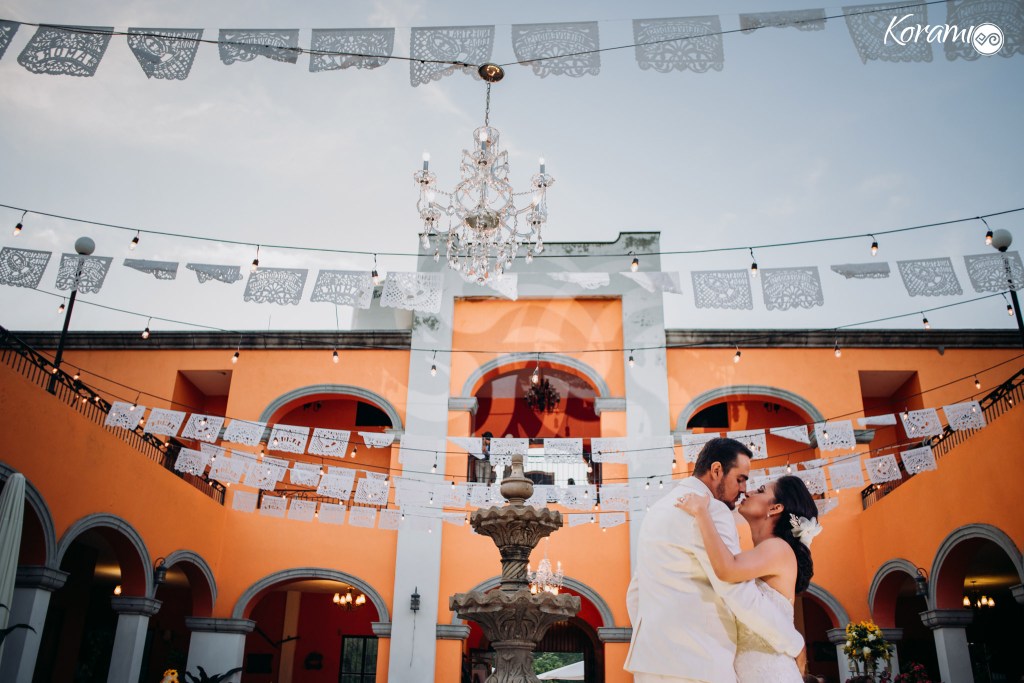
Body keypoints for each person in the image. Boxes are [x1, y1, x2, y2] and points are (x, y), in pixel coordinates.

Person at [625, 438, 806, 683]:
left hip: (649, 662)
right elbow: (736, 591)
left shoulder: (657, 509)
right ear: (717, 470)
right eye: (740, 479)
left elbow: (636, 591)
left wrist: (655, 637)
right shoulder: (711, 509)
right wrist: (794, 642)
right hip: (699, 661)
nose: (744, 489)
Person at [677, 474, 821, 682]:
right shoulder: (763, 553)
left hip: (771, 674)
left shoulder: (778, 548)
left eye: (761, 490)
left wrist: (702, 514)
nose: (748, 491)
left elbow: (727, 570)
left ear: (775, 508)